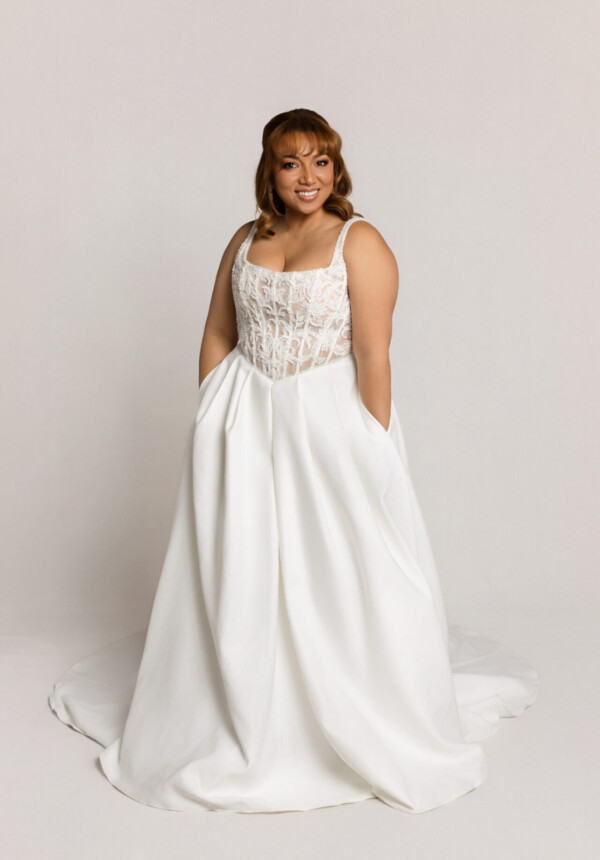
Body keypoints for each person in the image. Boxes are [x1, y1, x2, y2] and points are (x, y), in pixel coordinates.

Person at [49, 108, 540, 814]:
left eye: (319, 162)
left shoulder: (360, 242)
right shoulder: (246, 238)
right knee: (243, 560)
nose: (306, 177)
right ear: (269, 173)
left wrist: (371, 443)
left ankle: (347, 708)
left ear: (336, 169)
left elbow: (374, 354)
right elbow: (218, 331)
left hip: (326, 425)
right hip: (244, 420)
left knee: (336, 565)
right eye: (290, 163)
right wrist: (211, 418)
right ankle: (241, 701)